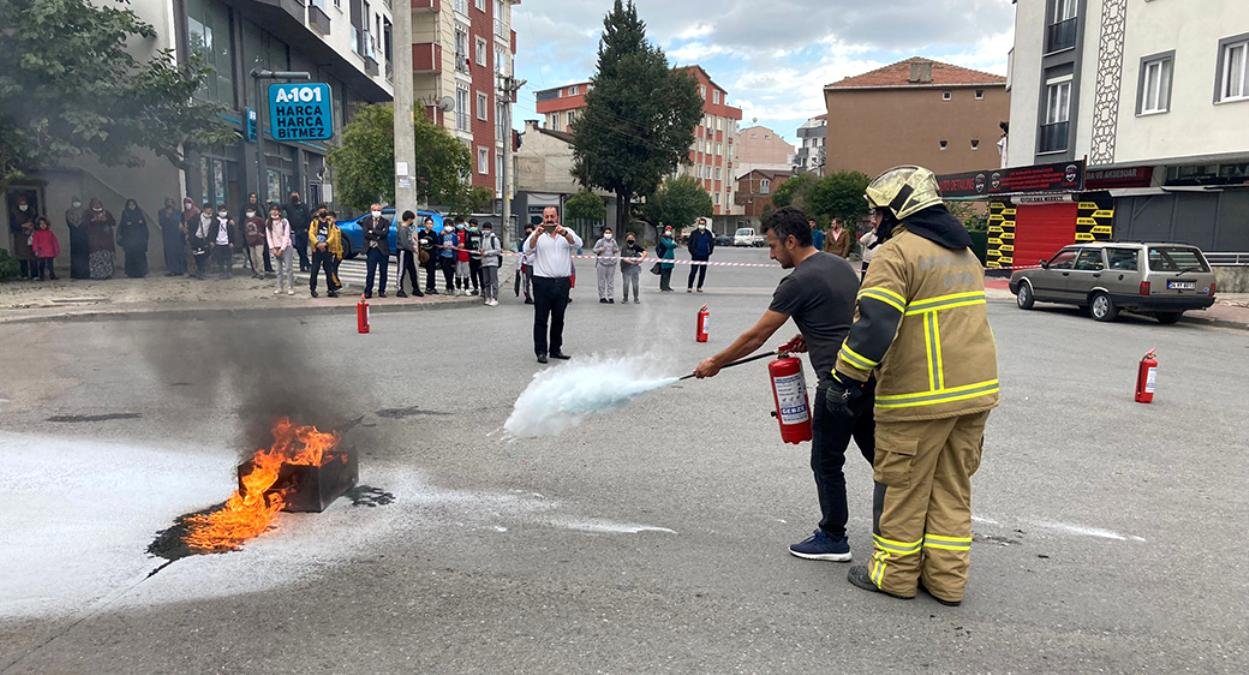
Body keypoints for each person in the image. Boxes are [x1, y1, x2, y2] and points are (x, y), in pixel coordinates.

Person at [833, 166, 999, 607]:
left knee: (902, 489)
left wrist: (844, 378)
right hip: (973, 396)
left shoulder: (898, 253)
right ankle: (947, 582)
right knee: (951, 488)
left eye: (876, 213)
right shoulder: (964, 254)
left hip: (918, 398)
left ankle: (894, 576)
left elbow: (875, 325)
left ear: (899, 210)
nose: (873, 221)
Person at [692, 207, 874, 563]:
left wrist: (715, 362)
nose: (771, 253)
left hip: (837, 382)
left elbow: (757, 336)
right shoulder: (838, 266)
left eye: (773, 245)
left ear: (791, 241)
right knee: (880, 458)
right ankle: (906, 530)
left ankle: (834, 537)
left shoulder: (797, 280)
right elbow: (843, 314)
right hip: (867, 375)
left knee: (826, 461)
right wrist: (809, 335)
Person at [524, 206, 581, 363]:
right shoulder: (538, 233)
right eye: (547, 216)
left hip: (562, 282)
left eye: (552, 216)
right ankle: (541, 351)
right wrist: (536, 234)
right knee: (541, 318)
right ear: (543, 218)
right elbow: (527, 250)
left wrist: (565, 234)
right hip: (542, 282)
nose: (549, 219)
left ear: (557, 217)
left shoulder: (566, 231)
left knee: (559, 318)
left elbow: (578, 244)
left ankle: (555, 349)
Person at [308, 208, 342, 298]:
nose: (323, 212)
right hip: (316, 249)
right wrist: (317, 243)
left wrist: (326, 243)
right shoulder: (314, 223)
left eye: (325, 210)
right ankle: (313, 289)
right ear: (318, 213)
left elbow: (333, 235)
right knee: (315, 269)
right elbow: (311, 234)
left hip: (328, 250)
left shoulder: (330, 224)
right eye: (321, 210)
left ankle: (331, 289)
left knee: (329, 270)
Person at [116, 199, 150, 278]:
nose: (132, 206)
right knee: (130, 256)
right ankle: (130, 273)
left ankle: (141, 272)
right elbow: (123, 225)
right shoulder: (125, 213)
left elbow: (143, 225)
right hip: (129, 240)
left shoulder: (139, 212)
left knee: (140, 256)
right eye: (130, 205)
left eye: (133, 204)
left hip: (139, 240)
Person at [241, 191, 273, 275]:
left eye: (254, 197)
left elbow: (265, 219)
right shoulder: (244, 208)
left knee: (262, 253)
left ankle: (266, 268)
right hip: (249, 236)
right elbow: (242, 222)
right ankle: (255, 270)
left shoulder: (260, 206)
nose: (253, 199)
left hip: (260, 235)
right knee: (252, 255)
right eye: (251, 197)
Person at [84, 198, 116, 280]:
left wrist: (106, 219)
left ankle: (107, 274)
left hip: (106, 239)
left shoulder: (106, 212)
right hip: (94, 239)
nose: (97, 205)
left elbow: (113, 222)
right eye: (95, 203)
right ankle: (96, 274)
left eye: (98, 203)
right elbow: (84, 224)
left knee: (106, 257)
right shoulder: (88, 213)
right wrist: (93, 220)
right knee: (96, 257)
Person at [394, 210, 424, 298]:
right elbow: (404, 243)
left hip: (408, 252)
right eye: (412, 219)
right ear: (409, 219)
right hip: (403, 251)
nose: (412, 221)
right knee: (401, 271)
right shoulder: (403, 229)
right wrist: (414, 249)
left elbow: (410, 241)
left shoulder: (407, 229)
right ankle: (399, 289)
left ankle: (415, 288)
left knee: (412, 271)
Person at [362, 202, 389, 298]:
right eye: (374, 210)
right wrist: (378, 234)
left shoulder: (385, 221)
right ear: (371, 210)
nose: (376, 212)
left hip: (382, 249)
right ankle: (368, 291)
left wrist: (373, 231)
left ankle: (382, 290)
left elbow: (385, 233)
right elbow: (366, 234)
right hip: (371, 249)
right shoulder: (366, 220)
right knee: (370, 271)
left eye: (378, 210)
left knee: (383, 271)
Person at [266, 205, 294, 295]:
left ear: (280, 212)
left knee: (288, 268)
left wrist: (282, 249)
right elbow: (269, 237)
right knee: (278, 269)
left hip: (286, 247)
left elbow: (286, 236)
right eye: (272, 210)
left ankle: (290, 287)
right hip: (275, 247)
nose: (274, 212)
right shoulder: (268, 222)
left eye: (276, 210)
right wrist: (272, 248)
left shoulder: (284, 221)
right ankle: (279, 287)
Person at [9, 195, 37, 280]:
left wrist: (32, 226)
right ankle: (24, 274)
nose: (23, 205)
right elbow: (12, 225)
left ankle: (34, 275)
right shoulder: (14, 213)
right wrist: (22, 225)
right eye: (21, 204)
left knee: (32, 256)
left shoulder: (32, 212)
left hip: (31, 235)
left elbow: (38, 221)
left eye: (24, 203)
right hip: (20, 237)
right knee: (22, 257)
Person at [686, 217, 715, 293]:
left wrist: (709, 252)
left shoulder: (708, 234)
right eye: (700, 223)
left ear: (705, 225)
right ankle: (690, 287)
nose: (701, 225)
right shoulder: (694, 233)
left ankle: (699, 286)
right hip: (696, 256)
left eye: (703, 224)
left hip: (705, 256)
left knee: (702, 272)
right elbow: (689, 244)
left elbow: (711, 244)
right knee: (693, 271)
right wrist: (693, 252)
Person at [592, 226, 620, 304]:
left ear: (612, 233)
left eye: (609, 233)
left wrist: (615, 250)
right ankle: (602, 297)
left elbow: (616, 249)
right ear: (603, 233)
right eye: (606, 233)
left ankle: (610, 296)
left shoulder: (613, 241)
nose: (608, 234)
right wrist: (600, 249)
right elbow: (594, 250)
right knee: (601, 280)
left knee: (610, 281)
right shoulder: (600, 241)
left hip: (611, 263)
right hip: (601, 263)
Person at [285, 192, 312, 272]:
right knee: (299, 248)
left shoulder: (303, 206)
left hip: (304, 230)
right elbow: (280, 208)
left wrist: (307, 228)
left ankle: (302, 266)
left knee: (303, 248)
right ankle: (307, 263)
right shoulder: (289, 206)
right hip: (295, 231)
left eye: (296, 195)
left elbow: (308, 217)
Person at [158, 198, 185, 276]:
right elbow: (161, 222)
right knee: (169, 253)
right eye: (168, 203)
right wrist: (167, 216)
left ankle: (180, 270)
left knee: (178, 252)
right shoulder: (161, 212)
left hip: (177, 235)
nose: (169, 205)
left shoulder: (178, 212)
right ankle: (171, 270)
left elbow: (180, 222)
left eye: (171, 203)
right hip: (167, 235)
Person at [478, 221, 502, 306]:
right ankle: (488, 297)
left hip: (493, 262)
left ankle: (495, 298)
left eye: (487, 229)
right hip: (484, 262)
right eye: (484, 229)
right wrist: (480, 252)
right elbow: (480, 249)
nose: (486, 230)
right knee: (486, 281)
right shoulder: (481, 239)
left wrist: (487, 253)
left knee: (493, 280)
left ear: (491, 229)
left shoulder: (494, 239)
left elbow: (498, 251)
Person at [208, 204, 235, 279]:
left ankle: (229, 272)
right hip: (218, 242)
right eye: (221, 211)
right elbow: (212, 231)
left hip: (227, 242)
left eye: (224, 211)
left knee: (228, 258)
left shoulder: (229, 221)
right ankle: (222, 272)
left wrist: (232, 241)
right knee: (220, 258)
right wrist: (212, 241)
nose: (223, 212)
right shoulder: (215, 220)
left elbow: (232, 232)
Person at [66, 197, 90, 279]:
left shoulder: (85, 212)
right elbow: (69, 223)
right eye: (75, 202)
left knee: (84, 254)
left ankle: (85, 273)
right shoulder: (68, 212)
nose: (76, 204)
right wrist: (76, 226)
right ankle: (76, 274)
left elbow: (87, 222)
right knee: (75, 255)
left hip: (84, 235)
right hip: (74, 235)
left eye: (78, 202)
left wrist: (81, 226)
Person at [188, 202, 214, 279]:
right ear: (204, 209)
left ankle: (201, 271)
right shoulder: (197, 217)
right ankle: (200, 271)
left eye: (210, 209)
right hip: (196, 238)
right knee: (198, 255)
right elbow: (190, 226)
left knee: (205, 254)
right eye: (207, 209)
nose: (209, 210)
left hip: (205, 239)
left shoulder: (213, 218)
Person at [620, 231, 646, 304]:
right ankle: (625, 298)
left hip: (635, 269)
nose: (630, 240)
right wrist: (632, 262)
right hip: (625, 268)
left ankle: (636, 298)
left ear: (634, 239)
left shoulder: (636, 246)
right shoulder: (624, 247)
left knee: (635, 284)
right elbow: (624, 258)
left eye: (632, 238)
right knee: (626, 283)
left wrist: (642, 258)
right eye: (629, 238)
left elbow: (644, 252)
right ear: (626, 239)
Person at [31, 216, 60, 281]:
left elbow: (54, 242)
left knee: (50, 266)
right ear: (38, 225)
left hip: (50, 252)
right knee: (41, 265)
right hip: (41, 252)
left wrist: (56, 250)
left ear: (47, 225)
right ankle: (41, 276)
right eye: (41, 224)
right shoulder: (37, 233)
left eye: (44, 224)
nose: (43, 225)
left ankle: (52, 275)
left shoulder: (50, 233)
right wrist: (35, 250)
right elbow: (35, 242)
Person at [241, 205, 266, 279]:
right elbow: (245, 231)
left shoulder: (259, 220)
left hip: (259, 241)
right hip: (250, 242)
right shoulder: (246, 221)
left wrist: (263, 235)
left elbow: (265, 228)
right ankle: (256, 272)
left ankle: (261, 272)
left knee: (259, 257)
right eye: (248, 211)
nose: (249, 213)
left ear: (254, 212)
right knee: (253, 258)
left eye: (251, 211)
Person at [418, 216, 440, 295]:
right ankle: (428, 288)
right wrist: (420, 241)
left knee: (432, 272)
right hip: (423, 255)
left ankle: (431, 287)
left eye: (431, 224)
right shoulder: (421, 233)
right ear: (425, 224)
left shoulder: (433, 234)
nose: (429, 225)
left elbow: (436, 243)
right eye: (428, 223)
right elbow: (417, 242)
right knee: (427, 271)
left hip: (432, 255)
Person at [180, 198, 201, 277]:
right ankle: (191, 271)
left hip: (196, 236)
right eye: (185, 203)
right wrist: (183, 229)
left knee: (197, 253)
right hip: (187, 236)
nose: (187, 204)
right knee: (189, 254)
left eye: (188, 202)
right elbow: (181, 224)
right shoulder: (184, 214)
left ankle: (198, 270)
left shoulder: (197, 212)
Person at [858, 212, 881, 280]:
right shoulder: (871, 234)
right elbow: (862, 240)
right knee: (864, 279)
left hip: (877, 261)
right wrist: (872, 232)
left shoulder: (884, 235)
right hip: (867, 261)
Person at [517, 224, 535, 304]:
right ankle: (527, 297)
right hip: (525, 264)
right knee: (526, 282)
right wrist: (518, 266)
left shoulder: (537, 239)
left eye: (530, 229)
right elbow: (520, 254)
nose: (528, 231)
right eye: (527, 229)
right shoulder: (523, 241)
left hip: (536, 264)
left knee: (536, 282)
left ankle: (537, 296)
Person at [453, 219, 472, 295]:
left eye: (461, 223)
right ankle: (458, 288)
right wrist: (456, 246)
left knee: (466, 273)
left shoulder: (468, 234)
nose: (460, 226)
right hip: (457, 256)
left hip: (466, 256)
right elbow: (452, 243)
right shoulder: (454, 233)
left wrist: (465, 245)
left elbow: (471, 244)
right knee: (458, 273)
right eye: (458, 224)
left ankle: (467, 288)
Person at [465, 218, 483, 296]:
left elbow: (483, 243)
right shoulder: (468, 234)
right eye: (471, 225)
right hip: (472, 257)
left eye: (474, 225)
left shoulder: (480, 233)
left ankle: (483, 289)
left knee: (481, 275)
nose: (472, 226)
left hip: (480, 258)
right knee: (473, 274)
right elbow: (467, 244)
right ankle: (475, 289)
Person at [655, 225, 677, 292]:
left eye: (670, 230)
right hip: (664, 256)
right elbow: (668, 245)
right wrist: (672, 244)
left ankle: (667, 286)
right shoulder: (662, 238)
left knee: (669, 272)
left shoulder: (671, 238)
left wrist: (672, 244)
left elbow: (675, 245)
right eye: (667, 230)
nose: (669, 231)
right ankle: (663, 286)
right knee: (664, 272)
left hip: (671, 257)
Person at [438, 223, 457, 293]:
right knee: (446, 272)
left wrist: (454, 247)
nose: (448, 227)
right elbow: (438, 244)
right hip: (443, 256)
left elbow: (457, 245)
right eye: (446, 225)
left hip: (452, 257)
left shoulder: (454, 235)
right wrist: (443, 246)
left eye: (450, 225)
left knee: (451, 273)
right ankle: (449, 286)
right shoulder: (441, 235)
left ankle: (450, 287)